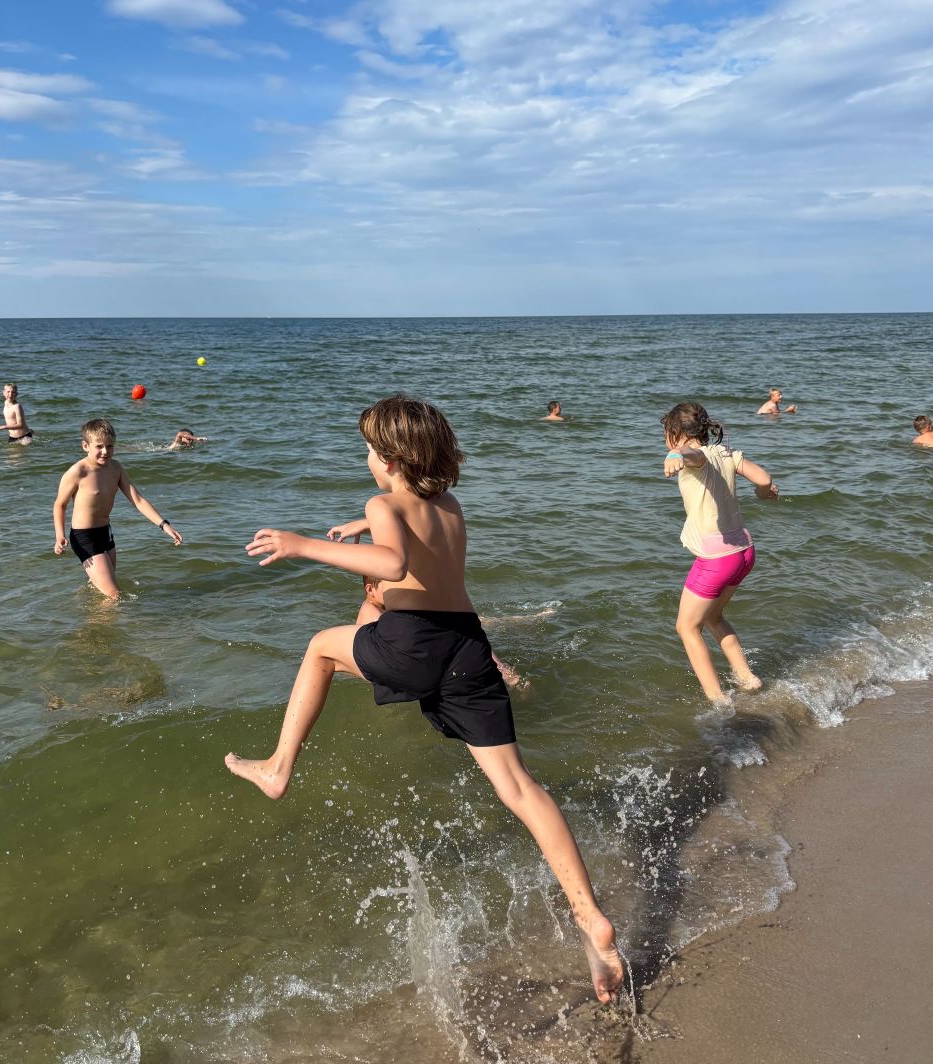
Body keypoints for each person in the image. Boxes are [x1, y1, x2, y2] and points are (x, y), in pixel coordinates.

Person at [224, 394, 624, 1004]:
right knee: (519, 787)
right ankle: (589, 917)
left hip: (413, 642)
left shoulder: (382, 503)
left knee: (320, 648)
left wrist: (302, 544)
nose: (366, 459)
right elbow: (415, 538)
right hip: (467, 647)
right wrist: (363, 527)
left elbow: (392, 562)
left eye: (368, 450)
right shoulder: (450, 506)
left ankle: (279, 768)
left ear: (388, 458)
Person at [662, 401, 778, 704]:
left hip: (717, 559)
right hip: (745, 552)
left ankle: (718, 700)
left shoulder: (694, 457)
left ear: (676, 433)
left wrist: (677, 454)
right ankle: (746, 677)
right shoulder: (727, 454)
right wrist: (764, 493)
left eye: (666, 434)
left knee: (686, 627)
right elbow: (764, 479)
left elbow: (695, 455)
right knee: (713, 616)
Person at [53, 418, 183, 600]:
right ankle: (108, 618)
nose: (105, 451)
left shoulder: (116, 468)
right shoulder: (78, 472)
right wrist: (60, 536)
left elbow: (138, 500)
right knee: (115, 595)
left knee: (104, 589)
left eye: (110, 446)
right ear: (85, 446)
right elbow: (60, 505)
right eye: (99, 446)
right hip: (84, 538)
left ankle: (91, 613)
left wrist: (164, 525)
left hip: (105, 533)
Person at [358, 572, 521, 686]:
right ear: (370, 590)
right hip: (398, 671)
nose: (399, 591)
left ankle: (501, 656)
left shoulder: (384, 609)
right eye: (391, 587)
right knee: (465, 628)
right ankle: (499, 666)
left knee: (475, 624)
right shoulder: (373, 615)